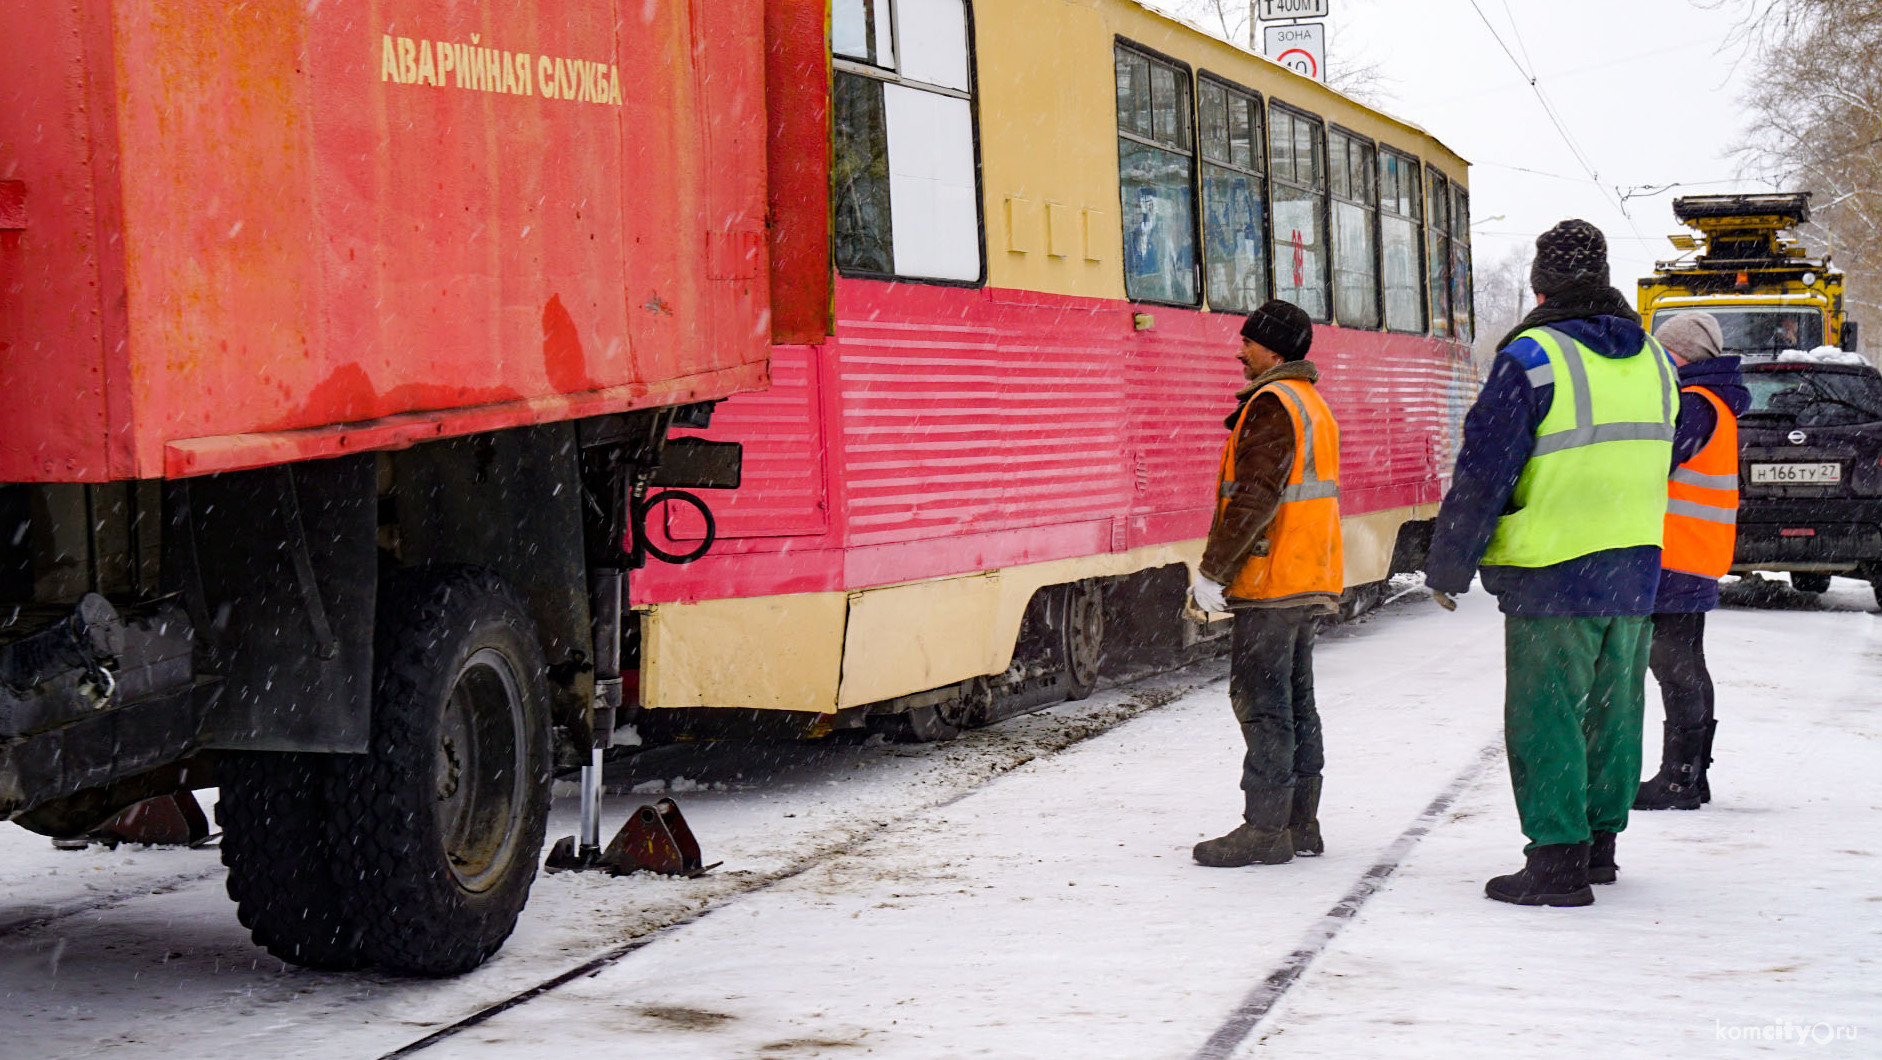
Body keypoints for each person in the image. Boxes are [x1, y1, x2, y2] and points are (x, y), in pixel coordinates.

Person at [1425, 220, 1677, 906]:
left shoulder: (1534, 357)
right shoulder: (1655, 358)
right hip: (1634, 565)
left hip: (1554, 565)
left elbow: (1485, 468)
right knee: (1612, 713)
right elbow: (1667, 451)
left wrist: (1450, 562)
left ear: (1540, 285)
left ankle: (1557, 862)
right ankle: (1599, 846)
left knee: (1548, 715)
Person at [1189, 299, 1343, 868]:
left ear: (1273, 350)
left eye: (1248, 342)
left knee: (1262, 703)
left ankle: (1264, 830)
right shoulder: (1311, 402)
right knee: (1297, 703)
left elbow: (1254, 498)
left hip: (1272, 576)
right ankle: (1300, 823)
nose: (1239, 350)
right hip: (1307, 574)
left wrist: (1213, 572)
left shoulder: (1273, 404)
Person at [1636, 312, 1747, 811]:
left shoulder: (1694, 405)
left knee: (1674, 666)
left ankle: (1678, 778)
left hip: (1675, 552)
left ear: (1678, 355)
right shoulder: (1713, 403)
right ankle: (1692, 774)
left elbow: (1657, 462)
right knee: (1688, 665)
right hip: (1693, 550)